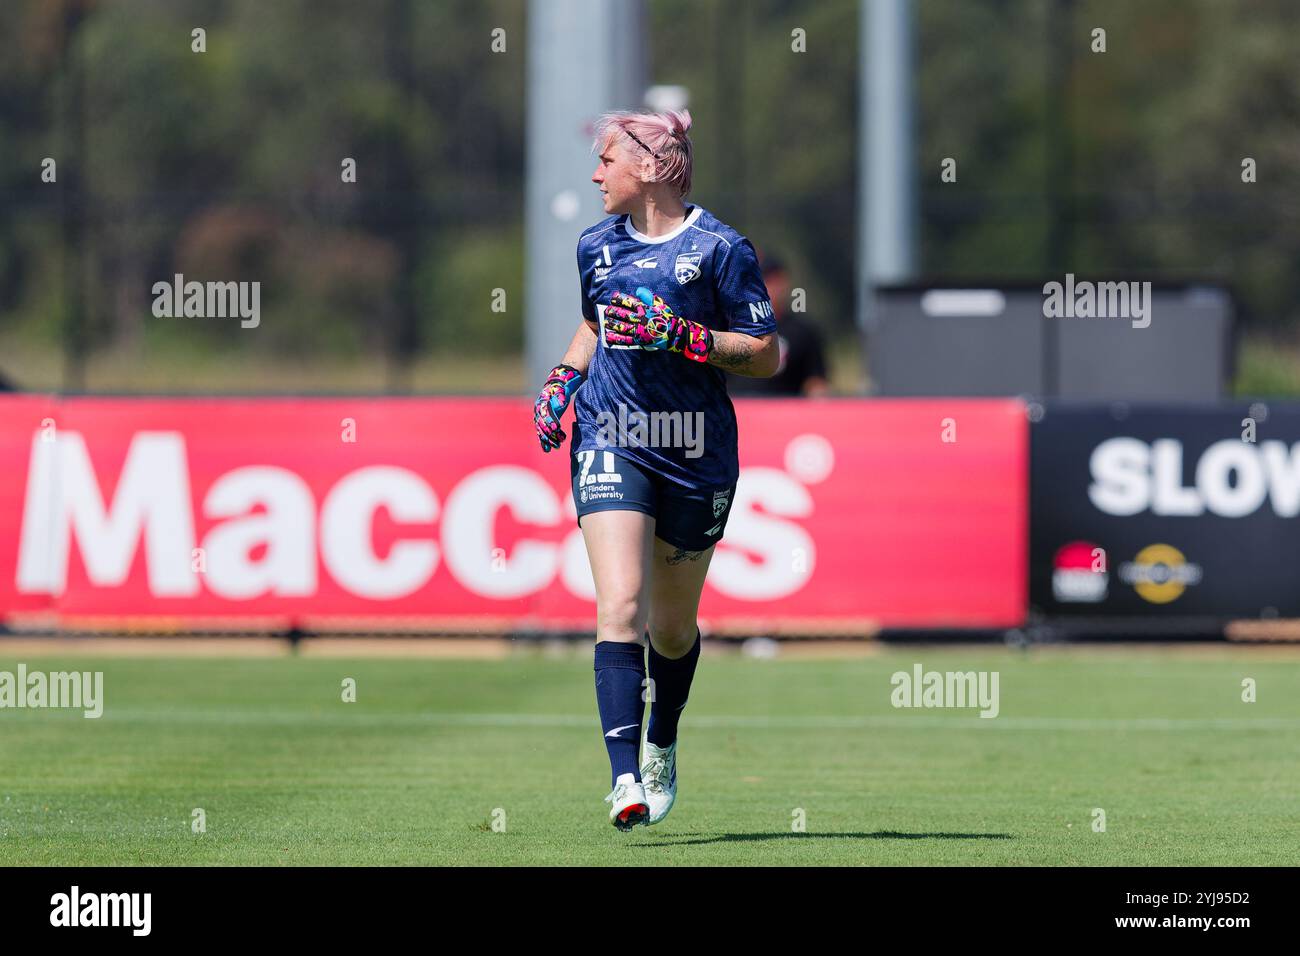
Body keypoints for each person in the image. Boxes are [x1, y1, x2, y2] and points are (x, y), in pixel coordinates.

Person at [531, 107, 778, 830]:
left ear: (647, 166)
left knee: (671, 630)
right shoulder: (595, 246)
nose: (596, 173)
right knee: (621, 607)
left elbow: (764, 353)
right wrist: (562, 377)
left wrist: (687, 337)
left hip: (695, 450)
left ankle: (663, 735)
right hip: (611, 434)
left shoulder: (723, 249)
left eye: (607, 160)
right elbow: (594, 321)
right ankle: (624, 778)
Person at [727, 254, 830, 397]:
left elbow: (816, 384)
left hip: (784, 415)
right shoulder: (727, 326)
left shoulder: (802, 331)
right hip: (737, 411)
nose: (768, 288)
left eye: (773, 281)